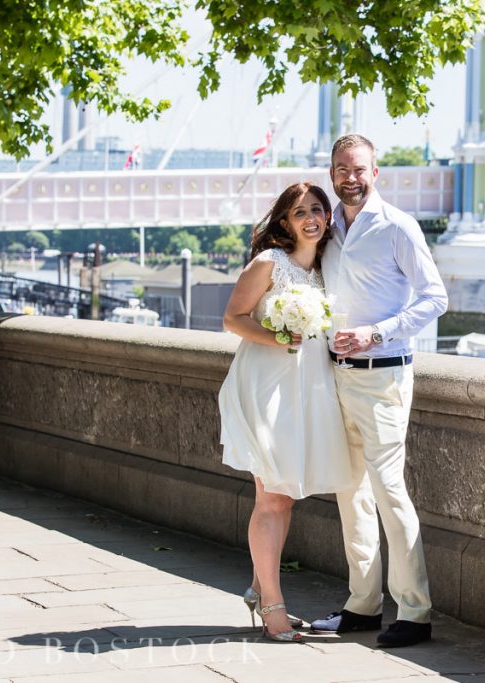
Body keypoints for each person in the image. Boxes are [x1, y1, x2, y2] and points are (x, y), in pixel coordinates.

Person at [311, 134, 448, 648]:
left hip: (385, 373)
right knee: (350, 494)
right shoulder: (327, 230)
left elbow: (436, 298)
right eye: (342, 168)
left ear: (376, 173)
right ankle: (362, 606)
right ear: (331, 173)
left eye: (359, 168)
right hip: (336, 376)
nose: (350, 176)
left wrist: (376, 332)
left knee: (390, 493)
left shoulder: (398, 227)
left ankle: (414, 612)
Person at [218, 181, 357, 642]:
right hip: (267, 388)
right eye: (301, 212)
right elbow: (233, 319)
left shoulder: (324, 269)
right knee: (272, 495)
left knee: (285, 493)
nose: (312, 218)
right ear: (285, 221)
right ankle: (274, 607)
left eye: (318, 209)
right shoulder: (268, 263)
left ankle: (261, 589)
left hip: (305, 389)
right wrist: (278, 337)